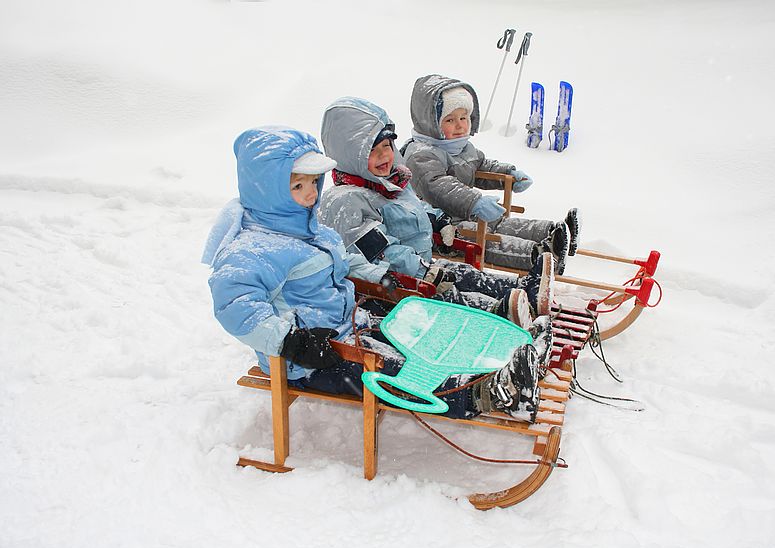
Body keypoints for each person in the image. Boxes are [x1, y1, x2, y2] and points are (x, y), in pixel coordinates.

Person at [202, 126, 549, 422]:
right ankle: (489, 393)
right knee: (392, 371)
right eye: (297, 187)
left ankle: (505, 353)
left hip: (353, 322)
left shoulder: (306, 228)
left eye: (313, 182)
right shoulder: (250, 250)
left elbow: (344, 261)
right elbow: (236, 307)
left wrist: (380, 276)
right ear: (269, 190)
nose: (311, 194)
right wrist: (290, 341)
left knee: (422, 331)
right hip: (311, 357)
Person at [317, 96, 556, 325]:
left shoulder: (387, 181)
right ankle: (501, 315)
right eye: (372, 151)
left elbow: (413, 207)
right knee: (454, 299)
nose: (384, 156)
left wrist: (439, 220)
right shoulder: (347, 201)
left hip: (423, 266)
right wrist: (424, 271)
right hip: (396, 287)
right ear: (350, 155)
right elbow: (381, 252)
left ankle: (527, 293)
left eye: (387, 146)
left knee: (465, 273)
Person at [402, 73, 579, 275]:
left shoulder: (460, 147)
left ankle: (554, 233)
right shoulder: (420, 154)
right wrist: (475, 201)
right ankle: (540, 255)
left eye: (464, 117)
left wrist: (509, 175)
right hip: (438, 225)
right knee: (484, 236)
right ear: (430, 123)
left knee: (499, 222)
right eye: (450, 120)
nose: (460, 125)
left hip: (463, 212)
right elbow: (438, 186)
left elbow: (480, 167)